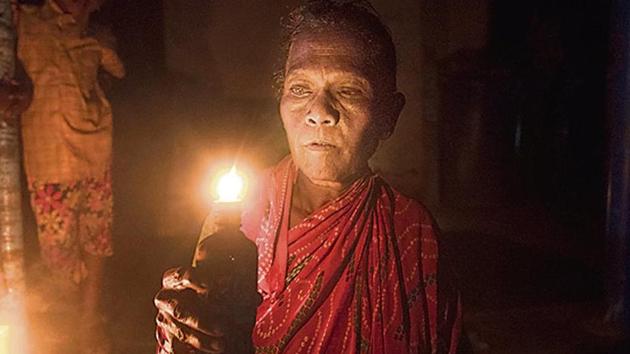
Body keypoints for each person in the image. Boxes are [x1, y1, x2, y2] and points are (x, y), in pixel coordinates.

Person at [155, 1, 461, 353]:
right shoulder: (243, 213)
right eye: (300, 89)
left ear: (388, 115)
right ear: (281, 101)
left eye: (348, 91)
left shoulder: (410, 232)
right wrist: (185, 327)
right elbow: (202, 329)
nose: (319, 113)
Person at [16, 0, 124, 350]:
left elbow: (117, 71)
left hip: (95, 151)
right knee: (59, 251)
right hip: (49, 158)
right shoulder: (26, 20)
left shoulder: (95, 33)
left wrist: (102, 43)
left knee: (95, 240)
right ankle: (63, 325)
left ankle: (89, 320)